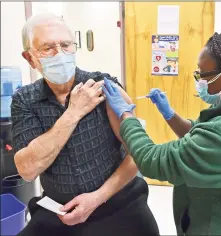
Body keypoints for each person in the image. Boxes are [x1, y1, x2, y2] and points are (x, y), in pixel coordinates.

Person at [103, 27, 221, 235]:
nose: (199, 81)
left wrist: (126, 116)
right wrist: (169, 113)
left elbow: (152, 160)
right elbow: (199, 133)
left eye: (202, 75)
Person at [12, 14, 159, 236]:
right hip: (59, 211)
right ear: (30, 58)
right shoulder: (25, 100)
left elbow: (138, 153)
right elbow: (27, 170)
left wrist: (96, 198)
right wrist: (73, 112)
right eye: (48, 48)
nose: (60, 54)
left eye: (66, 45)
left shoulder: (104, 87)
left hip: (117, 202)